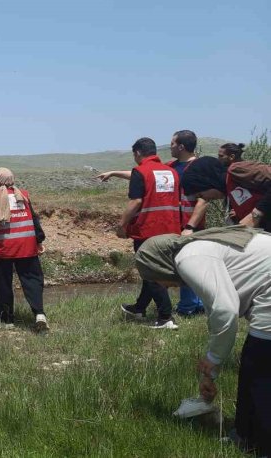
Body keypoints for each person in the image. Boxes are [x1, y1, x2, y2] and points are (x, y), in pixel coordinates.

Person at [134, 226, 271, 456]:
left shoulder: (189, 258)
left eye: (154, 279)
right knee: (251, 364)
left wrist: (213, 358)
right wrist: (211, 372)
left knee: (260, 370)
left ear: (158, 265)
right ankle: (246, 438)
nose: (164, 286)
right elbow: (216, 316)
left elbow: (226, 311)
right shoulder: (196, 251)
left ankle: (263, 445)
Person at [96, 130, 205, 315]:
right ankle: (141, 307)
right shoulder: (171, 168)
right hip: (173, 226)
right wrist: (114, 172)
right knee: (157, 268)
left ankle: (174, 312)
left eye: (172, 143)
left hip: (173, 227)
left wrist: (190, 227)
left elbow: (203, 200)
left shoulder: (195, 168)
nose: (169, 146)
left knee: (162, 270)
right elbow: (146, 174)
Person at [116, 137, 181, 329]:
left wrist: (122, 225)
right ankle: (139, 307)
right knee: (151, 269)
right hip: (171, 229)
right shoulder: (171, 172)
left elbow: (136, 202)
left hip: (148, 230)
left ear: (137, 153)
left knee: (150, 271)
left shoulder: (140, 171)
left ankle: (165, 317)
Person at [0, 168, 48, 332]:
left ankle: (6, 319)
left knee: (4, 284)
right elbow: (33, 219)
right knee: (32, 281)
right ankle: (39, 314)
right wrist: (39, 240)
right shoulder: (24, 194)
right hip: (27, 247)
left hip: (4, 249)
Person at [181, 153, 270, 232]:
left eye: (201, 194)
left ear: (208, 182)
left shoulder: (237, 170)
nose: (205, 198)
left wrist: (255, 214)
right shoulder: (229, 192)